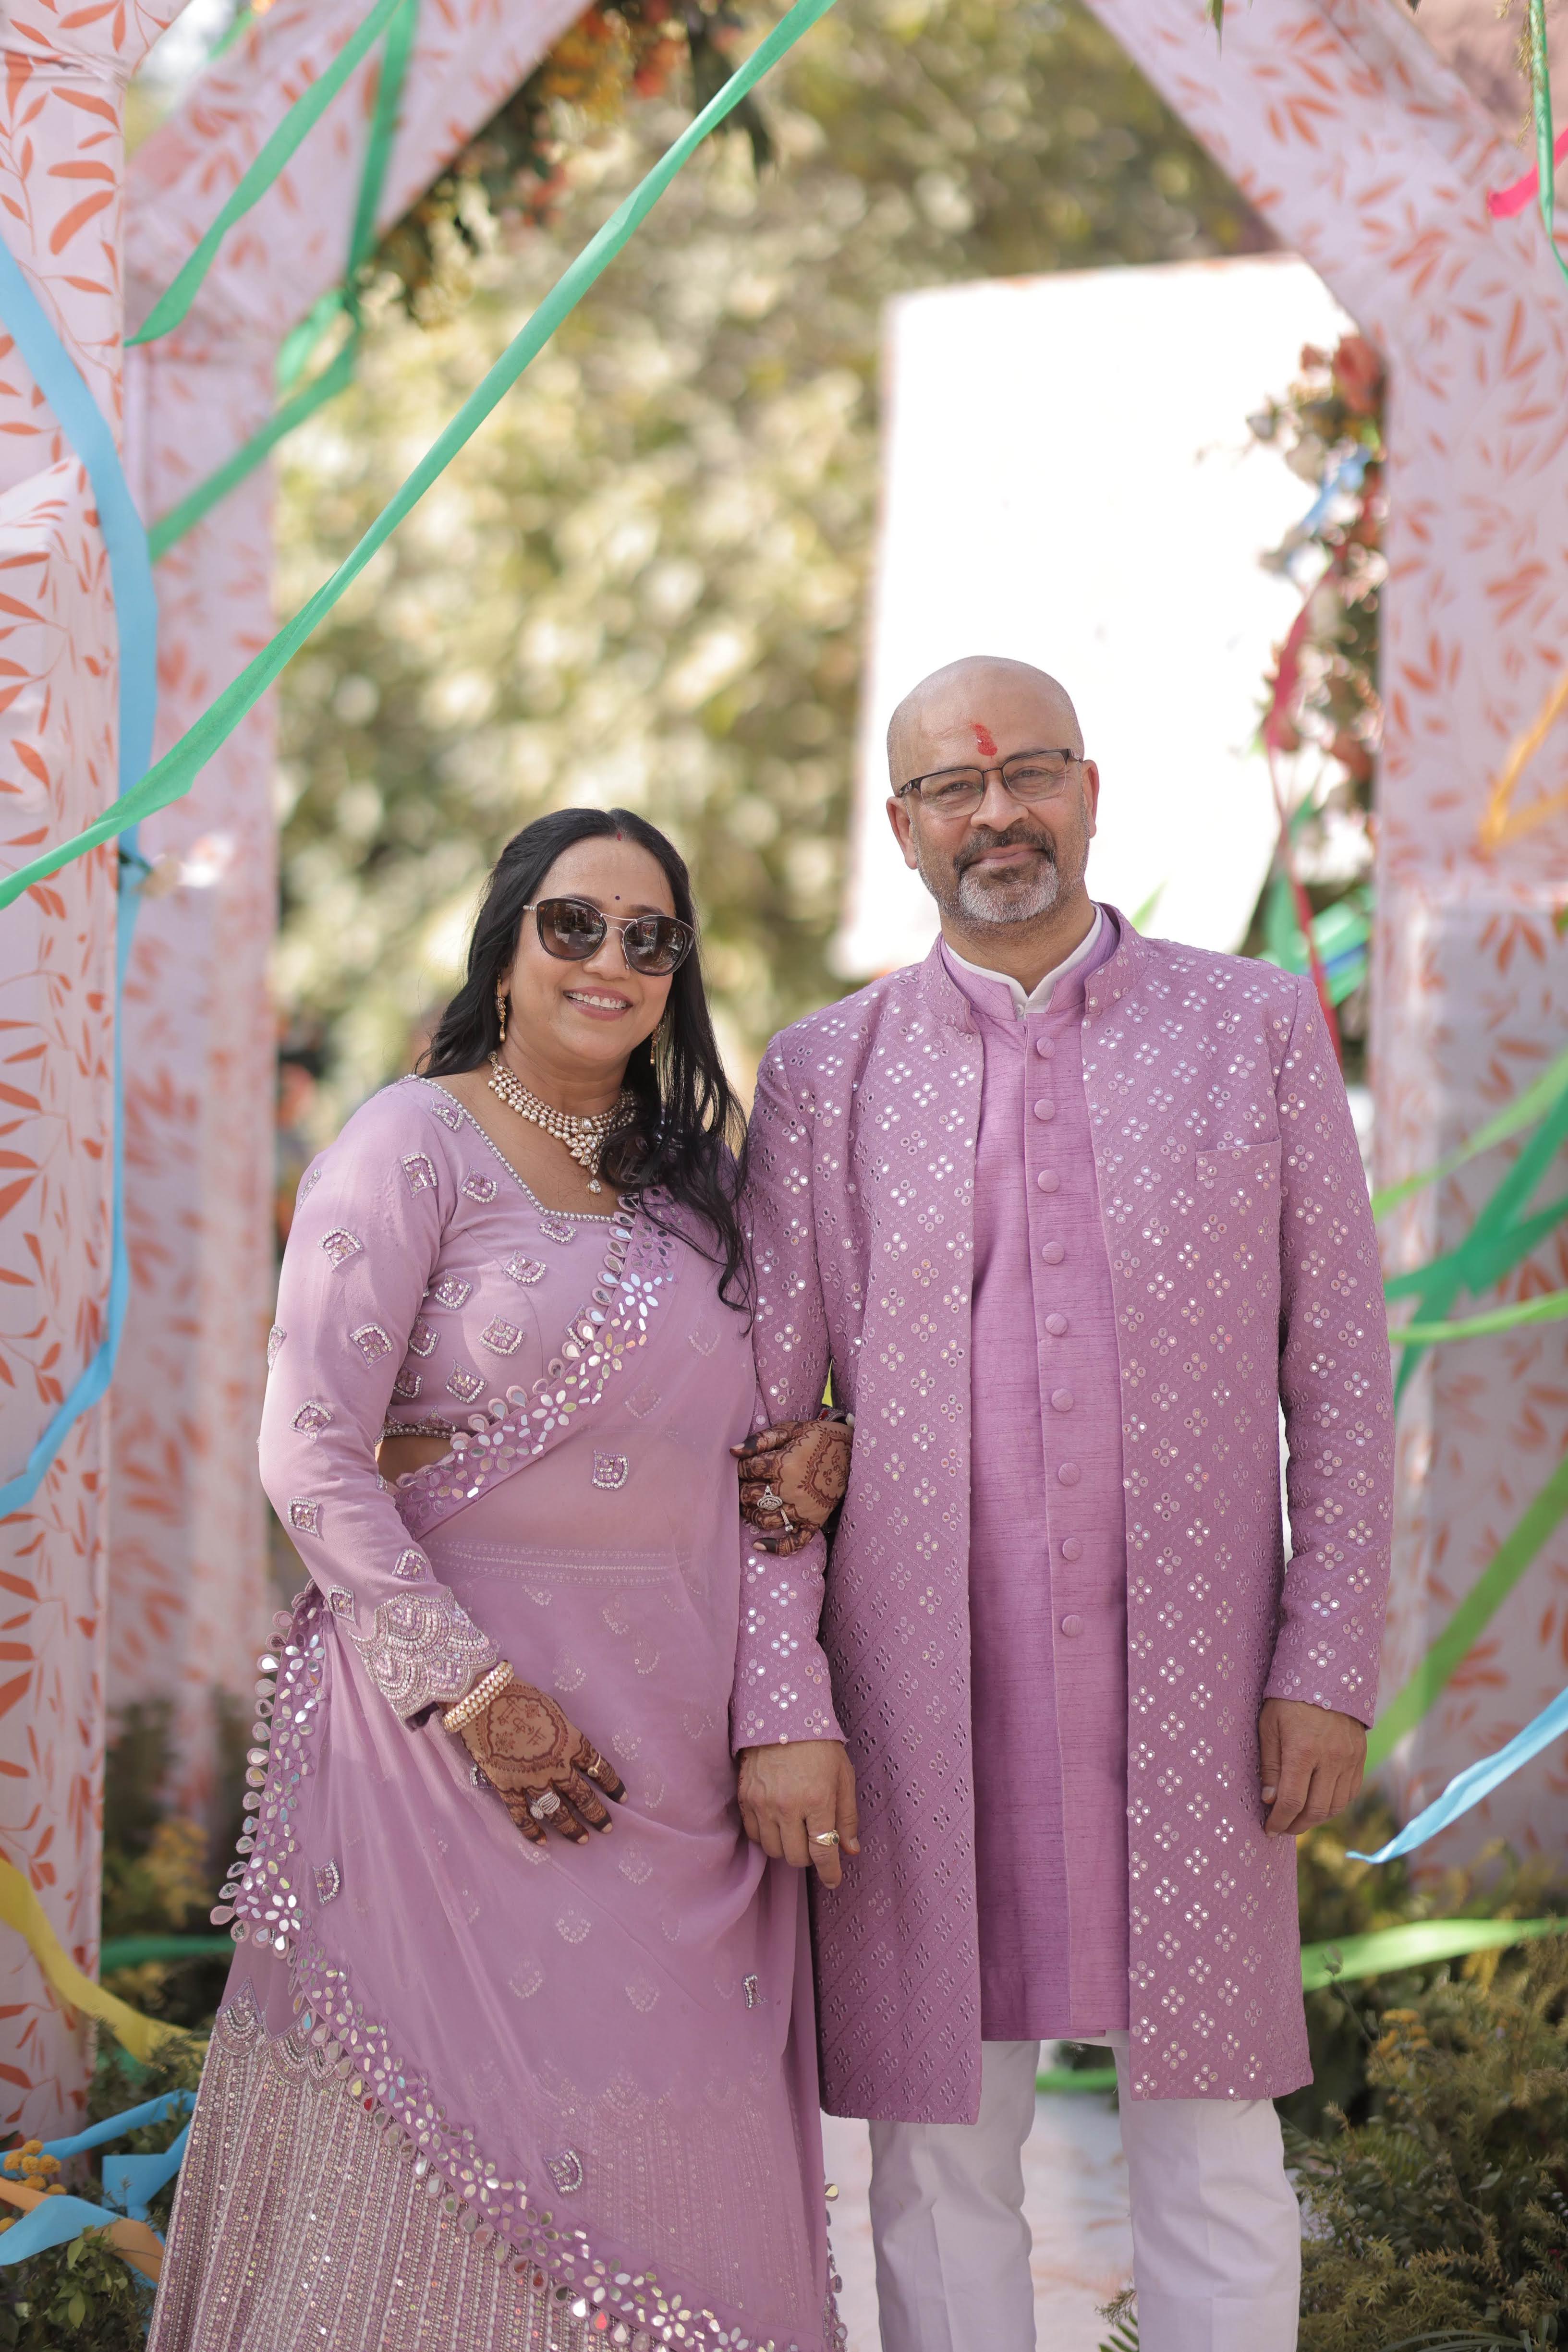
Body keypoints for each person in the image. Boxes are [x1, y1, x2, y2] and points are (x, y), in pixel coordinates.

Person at [733, 656, 1395, 2352]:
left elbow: (1337, 1374)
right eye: (953, 788)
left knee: (1215, 2136)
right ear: (901, 826)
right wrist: (785, 1701)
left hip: (1196, 1685)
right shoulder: (822, 1076)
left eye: (1027, 771)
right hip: (917, 1698)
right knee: (935, 2154)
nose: (996, 813)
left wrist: (1324, 1663)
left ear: (1088, 793)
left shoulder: (1250, 1028)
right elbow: (765, 1442)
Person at [149, 808, 851, 2352]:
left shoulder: (703, 1190)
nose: (611, 959)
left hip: (673, 1752)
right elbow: (309, 1451)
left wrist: (823, 1448)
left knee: (667, 2152)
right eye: (574, 923)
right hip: (445, 1748)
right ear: (509, 943)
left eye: (649, 936)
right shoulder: (410, 1141)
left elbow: (763, 1426)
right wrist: (471, 1694)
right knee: (438, 2142)